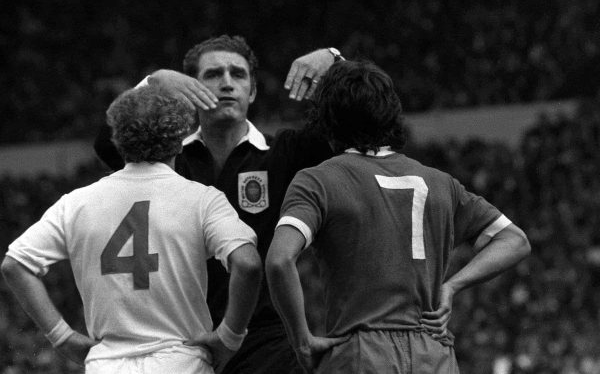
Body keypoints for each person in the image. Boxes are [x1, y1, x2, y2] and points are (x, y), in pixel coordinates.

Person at [93, 35, 343, 373]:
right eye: (213, 74)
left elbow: (354, 130)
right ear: (187, 90)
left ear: (252, 91)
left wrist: (334, 63)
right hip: (180, 341)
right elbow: (106, 143)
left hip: (266, 341)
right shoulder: (165, 158)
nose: (226, 83)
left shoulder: (285, 153)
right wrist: (152, 83)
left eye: (237, 75)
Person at [266, 60, 532, 373]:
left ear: (327, 122)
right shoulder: (441, 183)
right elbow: (515, 240)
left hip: (361, 351)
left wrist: (302, 341)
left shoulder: (318, 180)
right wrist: (452, 287)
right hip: (434, 351)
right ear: (392, 114)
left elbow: (279, 260)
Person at [2, 85, 262, 374]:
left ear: (119, 141)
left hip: (107, 365)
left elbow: (15, 265)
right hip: (182, 362)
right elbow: (248, 264)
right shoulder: (203, 199)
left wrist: (62, 338)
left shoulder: (75, 203)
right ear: (179, 143)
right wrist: (230, 336)